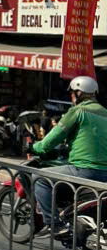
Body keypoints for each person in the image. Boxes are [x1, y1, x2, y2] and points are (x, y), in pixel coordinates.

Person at [30, 76, 107, 236]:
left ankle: (53, 224)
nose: (71, 96)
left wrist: (35, 147)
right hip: (104, 175)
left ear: (79, 93)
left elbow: (51, 139)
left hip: (84, 170)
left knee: (39, 178)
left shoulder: (77, 111)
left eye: (72, 93)